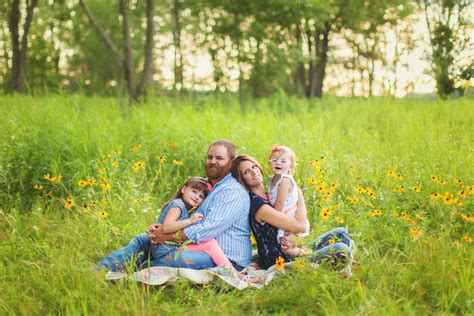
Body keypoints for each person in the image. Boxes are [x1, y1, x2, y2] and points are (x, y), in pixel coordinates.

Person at [99, 139, 251, 271]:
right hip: (199, 247)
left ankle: (134, 272)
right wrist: (160, 229)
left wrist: (166, 236)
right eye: (209, 157)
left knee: (155, 264)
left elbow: (207, 229)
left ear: (231, 164)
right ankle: (102, 268)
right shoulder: (208, 187)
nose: (212, 161)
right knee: (143, 239)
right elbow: (191, 219)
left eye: (219, 158)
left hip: (225, 257)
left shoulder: (232, 192)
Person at [231, 155, 353, 270]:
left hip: (293, 250)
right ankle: (334, 267)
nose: (254, 172)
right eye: (247, 172)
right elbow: (300, 226)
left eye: (254, 166)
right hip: (281, 261)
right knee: (341, 249)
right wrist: (298, 192)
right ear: (242, 180)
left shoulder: (270, 196)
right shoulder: (259, 206)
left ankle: (339, 268)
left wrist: (294, 236)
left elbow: (294, 222)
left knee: (342, 233)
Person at [150, 177, 233, 268]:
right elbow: (166, 227)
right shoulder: (178, 205)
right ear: (184, 189)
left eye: (201, 196)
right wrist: (190, 221)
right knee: (210, 244)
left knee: (208, 247)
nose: (197, 197)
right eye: (194, 191)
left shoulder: (186, 209)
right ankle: (231, 271)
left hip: (169, 248)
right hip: (166, 250)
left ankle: (227, 268)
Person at [267, 145, 310, 256]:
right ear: (269, 163)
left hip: (289, 218)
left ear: (290, 167)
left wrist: (267, 215)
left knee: (286, 248)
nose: (278, 163)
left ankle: (308, 256)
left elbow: (279, 205)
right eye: (275, 160)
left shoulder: (285, 181)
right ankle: (303, 251)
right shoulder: (271, 179)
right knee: (290, 245)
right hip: (283, 217)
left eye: (283, 161)